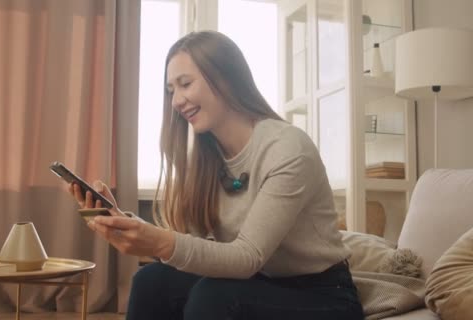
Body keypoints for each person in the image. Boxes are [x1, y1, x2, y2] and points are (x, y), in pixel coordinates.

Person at [67, 30, 364, 320]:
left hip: (322, 295)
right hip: (259, 282)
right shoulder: (207, 157)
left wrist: (159, 242)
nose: (176, 101)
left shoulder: (287, 148)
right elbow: (198, 249)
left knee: (215, 296)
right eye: (172, 90)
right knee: (151, 280)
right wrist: (125, 222)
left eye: (185, 84)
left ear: (226, 78)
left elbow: (246, 258)